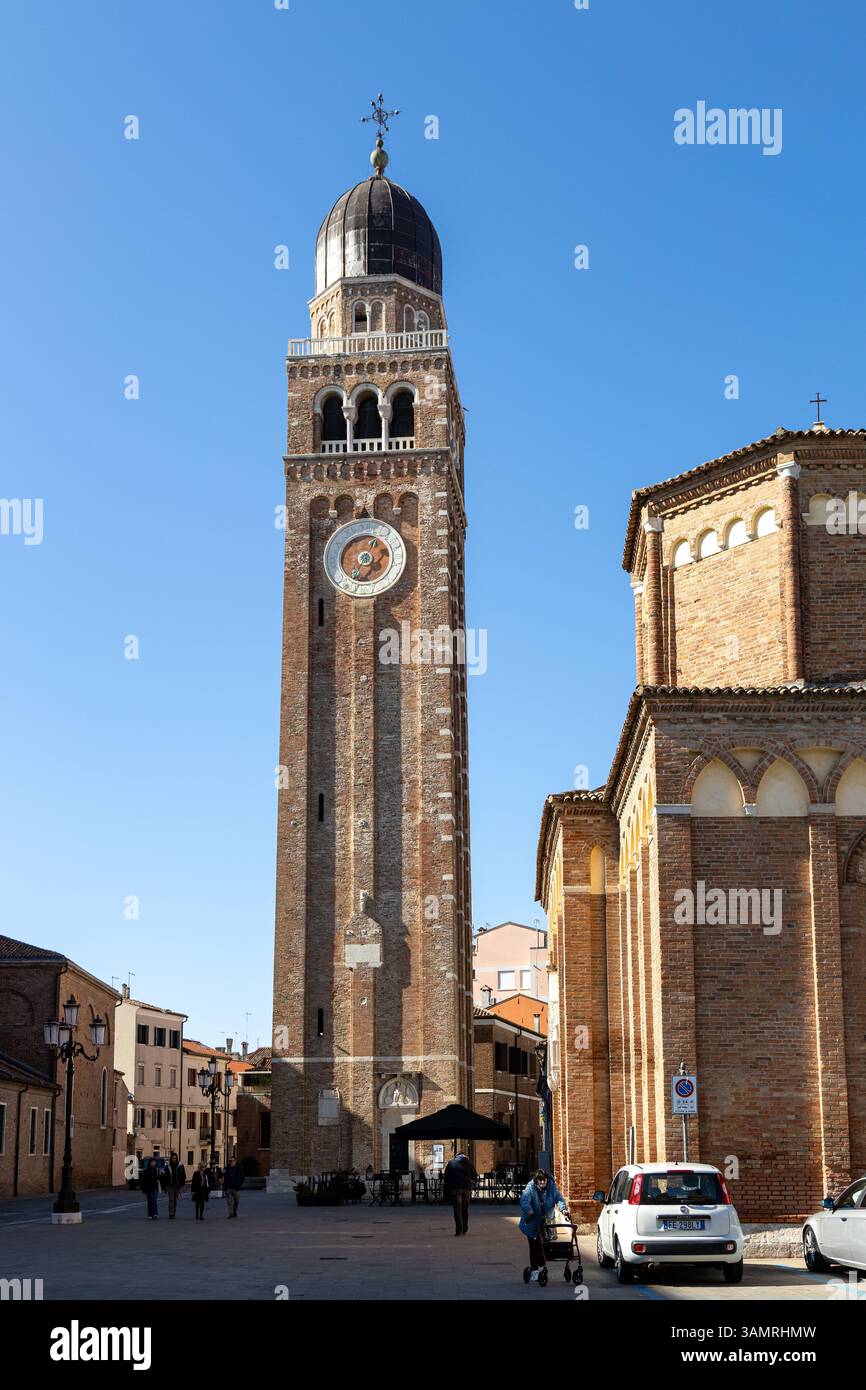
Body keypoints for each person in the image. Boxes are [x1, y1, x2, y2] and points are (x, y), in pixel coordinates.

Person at [519, 1169, 570, 1271]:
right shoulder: (531, 1187)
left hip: (546, 1221)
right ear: (536, 1180)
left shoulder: (552, 1187)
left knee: (544, 1245)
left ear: (547, 1179)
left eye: (543, 1180)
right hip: (532, 1221)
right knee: (534, 1246)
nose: (542, 1182)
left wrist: (563, 1209)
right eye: (539, 1180)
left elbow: (559, 1199)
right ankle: (534, 1268)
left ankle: (542, 1266)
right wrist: (529, 1211)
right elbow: (524, 1200)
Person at [443, 1149, 477, 1236]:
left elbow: (446, 1177)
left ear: (456, 1156)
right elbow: (475, 1176)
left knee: (457, 1209)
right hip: (466, 1188)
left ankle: (459, 1231)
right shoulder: (469, 1163)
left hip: (455, 1188)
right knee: (465, 1209)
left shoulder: (451, 1163)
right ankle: (465, 1229)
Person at [160, 1151, 187, 1219]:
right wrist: (164, 1186)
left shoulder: (180, 1166)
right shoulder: (167, 1166)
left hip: (177, 1186)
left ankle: (174, 1213)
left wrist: (181, 1184)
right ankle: (171, 1213)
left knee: (175, 1201)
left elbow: (183, 1176)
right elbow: (163, 1176)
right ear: (171, 1159)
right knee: (171, 1200)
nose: (174, 1159)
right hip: (170, 1186)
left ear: (176, 1158)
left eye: (175, 1158)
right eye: (172, 1158)